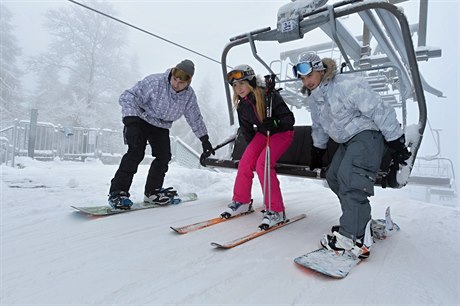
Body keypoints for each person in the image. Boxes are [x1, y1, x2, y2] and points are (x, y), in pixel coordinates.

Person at [293, 52, 410, 258]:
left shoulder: (344, 85)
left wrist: (396, 141)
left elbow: (378, 109)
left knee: (350, 180)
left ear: (320, 69)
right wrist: (318, 150)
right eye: (303, 78)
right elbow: (319, 126)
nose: (306, 81)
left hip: (367, 135)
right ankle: (359, 222)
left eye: (309, 74)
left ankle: (353, 237)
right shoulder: (315, 99)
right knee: (334, 177)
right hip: (347, 141)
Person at [108, 59, 215, 209]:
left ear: (188, 82)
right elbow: (128, 97)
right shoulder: (155, 82)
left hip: (160, 126)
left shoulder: (189, 96)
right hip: (140, 119)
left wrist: (204, 139)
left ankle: (152, 191)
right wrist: (131, 123)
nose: (176, 84)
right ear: (171, 74)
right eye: (175, 79)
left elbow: (195, 117)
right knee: (135, 154)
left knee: (164, 156)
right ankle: (118, 192)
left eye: (181, 82)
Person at [222, 64, 295, 229]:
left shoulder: (269, 96)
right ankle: (242, 201)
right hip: (263, 134)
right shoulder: (242, 106)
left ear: (251, 82)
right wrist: (251, 153)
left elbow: (289, 120)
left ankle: (276, 210)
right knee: (246, 162)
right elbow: (248, 133)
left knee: (263, 164)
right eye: (234, 85)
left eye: (241, 83)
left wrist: (275, 122)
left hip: (282, 133)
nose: (238, 88)